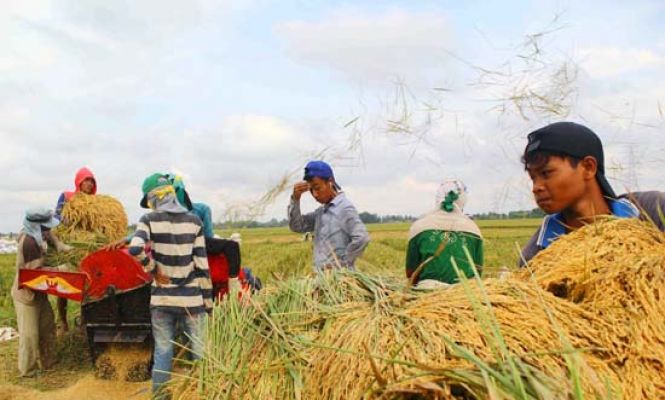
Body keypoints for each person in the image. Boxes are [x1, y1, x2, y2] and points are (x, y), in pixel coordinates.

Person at [519, 121, 665, 266]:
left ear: (588, 167)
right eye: (533, 178)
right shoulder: (537, 257)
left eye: (546, 173)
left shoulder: (652, 212)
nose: (536, 187)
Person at [127, 173, 213, 398]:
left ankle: (160, 397)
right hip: (192, 301)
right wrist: (208, 304)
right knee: (200, 354)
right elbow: (202, 265)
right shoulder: (195, 221)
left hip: (162, 300)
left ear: (153, 197)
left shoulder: (148, 220)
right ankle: (204, 394)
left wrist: (152, 268)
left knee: (164, 353)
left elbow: (135, 248)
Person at [11, 208, 70, 377]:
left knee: (47, 326)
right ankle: (27, 370)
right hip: (27, 294)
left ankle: (49, 361)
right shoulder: (29, 242)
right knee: (30, 335)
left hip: (39, 293)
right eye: (45, 227)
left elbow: (50, 235)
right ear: (36, 226)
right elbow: (35, 275)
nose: (47, 230)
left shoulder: (37, 232)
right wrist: (59, 269)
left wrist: (59, 244)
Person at [288, 160, 370, 271]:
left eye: (317, 188)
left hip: (340, 282)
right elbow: (297, 226)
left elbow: (362, 238)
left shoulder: (344, 208)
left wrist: (342, 264)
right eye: (311, 190)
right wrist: (295, 199)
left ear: (330, 182)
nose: (315, 194)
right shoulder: (321, 212)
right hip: (322, 280)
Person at [405, 179, 483, 289]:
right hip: (465, 294)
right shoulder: (473, 229)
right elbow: (478, 271)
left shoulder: (419, 227)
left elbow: (410, 272)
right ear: (463, 200)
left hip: (427, 292)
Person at [53, 167, 97, 332]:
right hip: (69, 246)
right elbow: (56, 216)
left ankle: (84, 319)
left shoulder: (96, 202)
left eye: (92, 181)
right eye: (86, 180)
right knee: (64, 283)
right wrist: (70, 219)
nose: (89, 184)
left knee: (88, 285)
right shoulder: (66, 197)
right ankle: (62, 321)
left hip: (88, 247)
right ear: (79, 181)